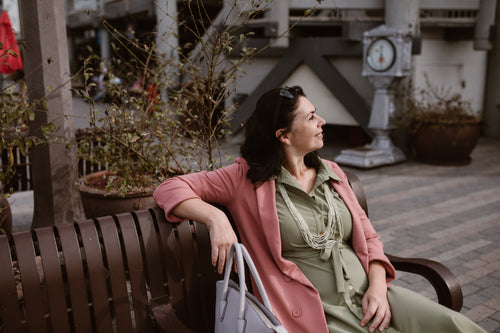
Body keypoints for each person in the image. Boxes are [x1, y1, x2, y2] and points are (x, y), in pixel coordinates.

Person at [153, 86, 486, 333]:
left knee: (458, 327)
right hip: (316, 312)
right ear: (283, 135)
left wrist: (378, 288)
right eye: (311, 117)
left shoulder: (333, 172)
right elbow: (169, 188)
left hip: (372, 296)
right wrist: (216, 217)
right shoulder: (244, 178)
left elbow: (368, 238)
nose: (322, 121)